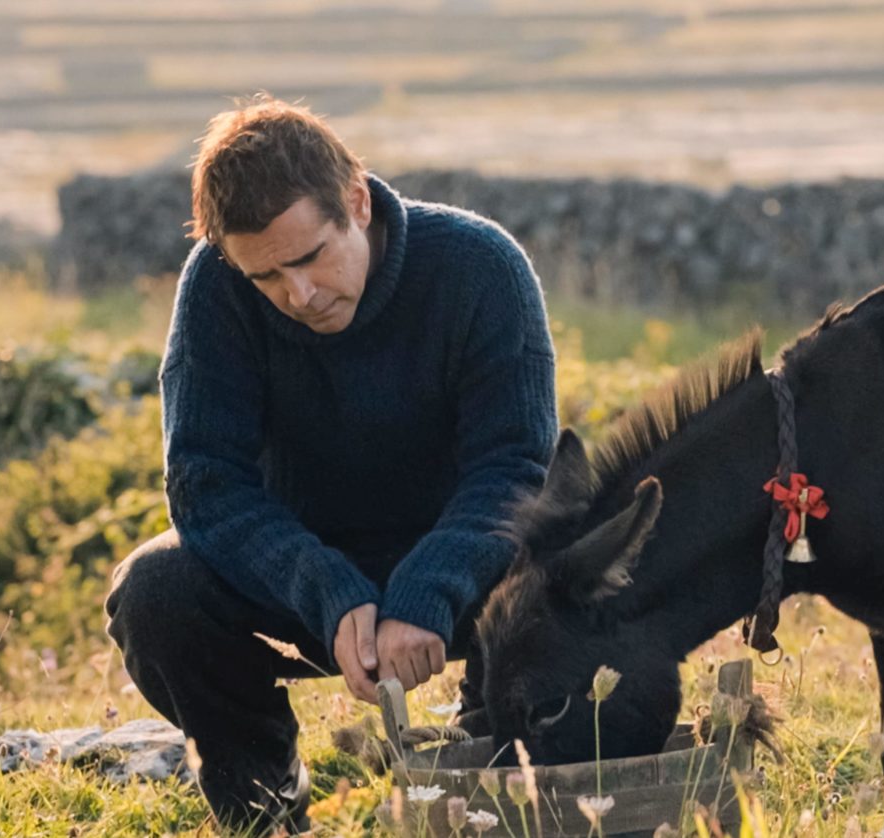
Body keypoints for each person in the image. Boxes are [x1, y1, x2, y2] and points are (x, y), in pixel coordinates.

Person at [104, 94, 557, 833]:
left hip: (470, 566)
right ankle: (266, 805)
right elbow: (205, 484)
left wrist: (429, 587)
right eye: (268, 279)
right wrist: (327, 589)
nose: (299, 295)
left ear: (355, 200)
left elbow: (512, 467)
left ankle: (502, 764)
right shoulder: (216, 286)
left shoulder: (482, 268)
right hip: (300, 576)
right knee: (154, 592)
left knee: (573, 565)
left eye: (311, 258)